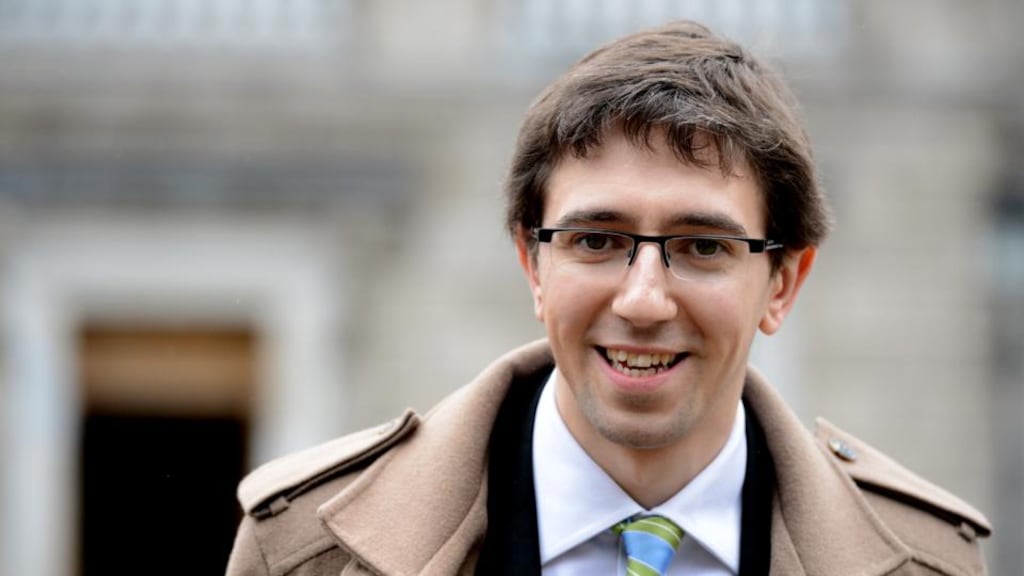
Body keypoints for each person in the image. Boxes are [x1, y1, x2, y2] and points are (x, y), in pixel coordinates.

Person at [226, 20, 990, 575]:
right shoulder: (302, 550)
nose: (645, 299)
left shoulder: (931, 562)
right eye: (597, 240)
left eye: (702, 246)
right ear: (532, 263)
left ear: (782, 282)